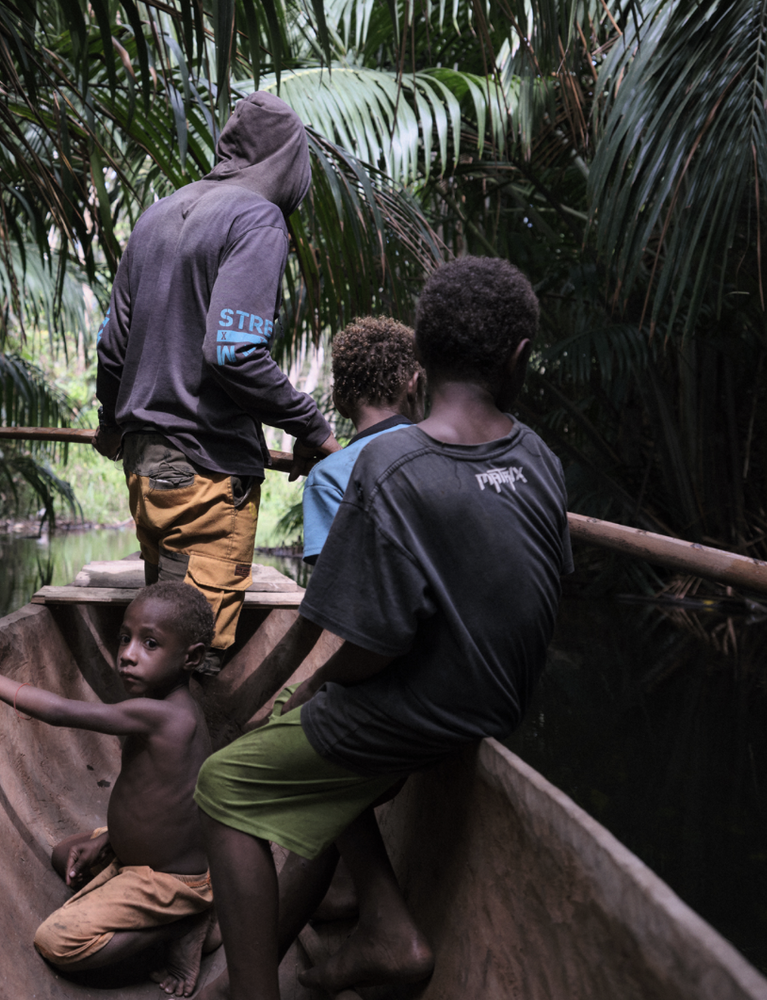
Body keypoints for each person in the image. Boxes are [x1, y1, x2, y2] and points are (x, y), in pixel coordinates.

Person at [192, 256, 574, 1000]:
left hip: (425, 710)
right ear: (518, 358)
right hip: (499, 703)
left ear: (421, 361)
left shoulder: (394, 466)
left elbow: (368, 650)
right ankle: (382, 926)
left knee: (222, 784)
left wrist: (313, 689)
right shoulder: (539, 458)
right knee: (317, 739)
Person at [92, 91, 339, 674]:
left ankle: (151, 749)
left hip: (146, 469)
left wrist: (110, 425)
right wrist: (314, 429)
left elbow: (111, 347)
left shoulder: (156, 215)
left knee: (162, 641)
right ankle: (184, 759)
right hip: (205, 471)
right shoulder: (257, 218)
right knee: (196, 655)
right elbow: (232, 352)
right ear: (287, 162)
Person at [0, 582, 219, 997]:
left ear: (193, 658)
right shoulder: (165, 705)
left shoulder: (164, 716)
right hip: (147, 855)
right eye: (124, 638)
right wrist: (113, 839)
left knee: (56, 942)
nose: (128, 654)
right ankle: (169, 903)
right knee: (66, 854)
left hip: (170, 879)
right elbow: (170, 803)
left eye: (150, 644)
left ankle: (179, 926)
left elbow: (60, 712)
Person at [301, 315, 424, 564]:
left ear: (338, 401)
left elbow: (335, 580)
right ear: (414, 384)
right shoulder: (451, 452)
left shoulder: (328, 476)